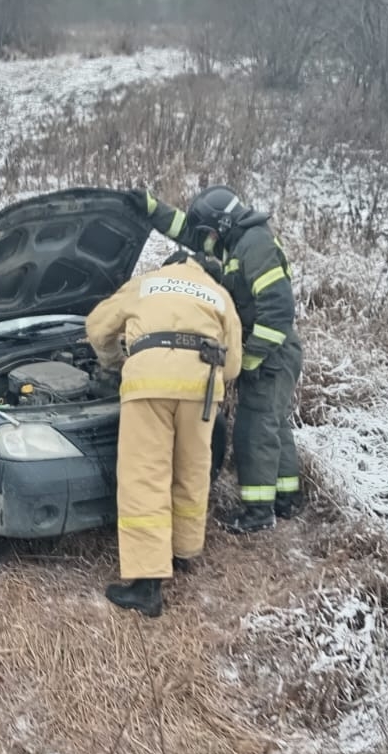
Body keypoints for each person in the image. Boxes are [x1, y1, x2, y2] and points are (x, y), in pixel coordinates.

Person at [124, 186, 304, 533]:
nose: (206, 238)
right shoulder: (237, 239)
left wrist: (247, 358)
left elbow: (278, 311)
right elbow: (189, 230)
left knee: (255, 430)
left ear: (221, 224)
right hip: (274, 351)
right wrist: (151, 208)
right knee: (274, 425)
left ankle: (258, 513)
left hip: (272, 352)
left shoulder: (255, 247)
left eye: (209, 230)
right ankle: (286, 499)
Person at [87, 252, 243, 618]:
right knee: (191, 470)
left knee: (146, 476)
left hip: (150, 383)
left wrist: (114, 363)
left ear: (167, 265)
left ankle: (147, 586)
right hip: (202, 388)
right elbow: (233, 362)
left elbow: (97, 327)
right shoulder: (217, 291)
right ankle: (184, 552)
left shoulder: (146, 283)